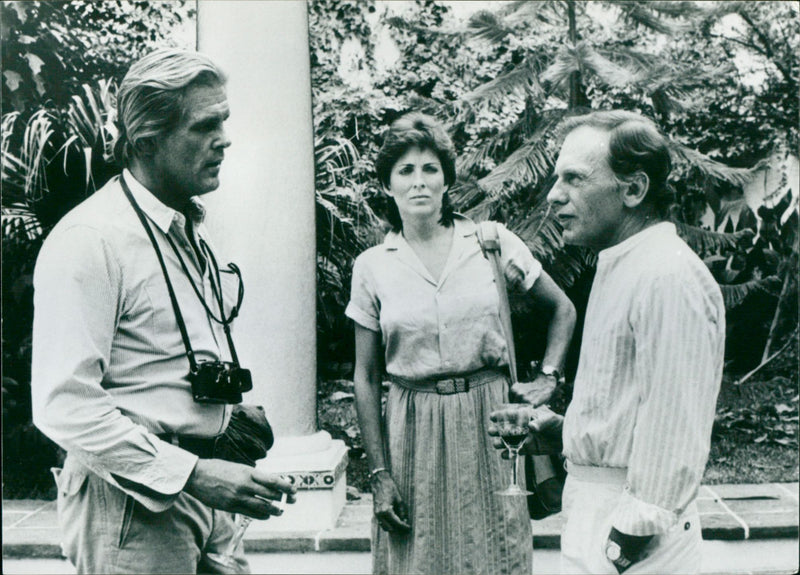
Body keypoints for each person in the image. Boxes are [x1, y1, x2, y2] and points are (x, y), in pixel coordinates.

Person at [31, 48, 295, 574]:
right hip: (132, 504)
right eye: (204, 125)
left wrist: (223, 428)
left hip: (204, 490)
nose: (224, 138)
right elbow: (63, 405)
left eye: (224, 120)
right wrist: (194, 473)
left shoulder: (182, 228)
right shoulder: (91, 240)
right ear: (147, 140)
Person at [493, 110, 726, 574]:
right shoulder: (624, 263)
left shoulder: (666, 275)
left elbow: (674, 422)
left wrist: (627, 539)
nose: (553, 196)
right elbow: (630, 402)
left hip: (635, 538)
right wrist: (565, 430)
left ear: (634, 189)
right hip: (600, 516)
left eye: (574, 179)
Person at [346, 112, 576, 574]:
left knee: (496, 550)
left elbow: (562, 309)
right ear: (388, 184)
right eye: (405, 171)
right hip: (413, 426)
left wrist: (547, 379)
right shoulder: (372, 266)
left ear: (446, 180)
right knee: (417, 555)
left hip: (491, 423)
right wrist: (379, 474)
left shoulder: (491, 243)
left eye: (430, 169)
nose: (419, 183)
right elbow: (366, 378)